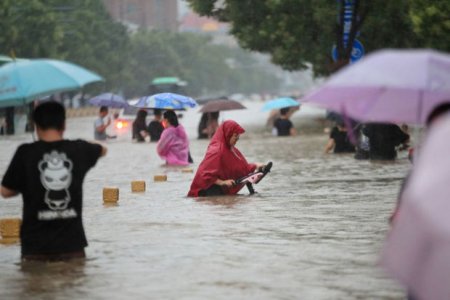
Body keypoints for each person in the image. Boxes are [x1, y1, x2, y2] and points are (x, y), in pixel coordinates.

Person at [0, 101, 107, 261]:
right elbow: (103, 149)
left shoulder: (25, 152)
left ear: (35, 125)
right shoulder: (78, 150)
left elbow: (6, 191)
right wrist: (82, 143)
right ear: (64, 124)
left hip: (35, 249)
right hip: (72, 247)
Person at [188, 120, 264, 197]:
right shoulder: (216, 150)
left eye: (238, 135)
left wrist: (255, 166)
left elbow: (240, 167)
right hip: (207, 192)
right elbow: (205, 174)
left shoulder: (231, 149)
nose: (237, 138)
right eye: (235, 135)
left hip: (220, 191)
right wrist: (222, 182)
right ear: (228, 134)